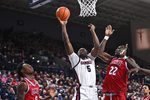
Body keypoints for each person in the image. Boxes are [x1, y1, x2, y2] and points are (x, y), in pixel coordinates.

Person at [58, 18, 101, 100]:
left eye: (84, 49)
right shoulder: (76, 60)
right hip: (82, 91)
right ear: (77, 54)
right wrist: (63, 26)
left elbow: (97, 46)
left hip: (93, 90)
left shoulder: (91, 58)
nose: (82, 49)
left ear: (87, 52)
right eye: (80, 50)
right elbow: (67, 42)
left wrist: (93, 31)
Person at [98, 25, 140, 100]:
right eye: (117, 48)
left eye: (120, 48)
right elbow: (99, 52)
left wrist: (131, 69)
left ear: (125, 51)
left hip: (119, 95)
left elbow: (137, 68)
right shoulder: (112, 59)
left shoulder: (128, 60)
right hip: (107, 95)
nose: (117, 49)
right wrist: (106, 37)